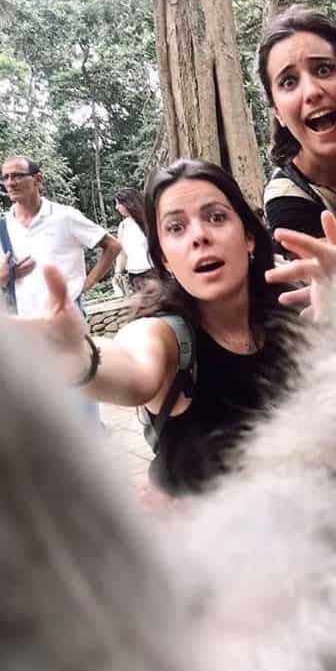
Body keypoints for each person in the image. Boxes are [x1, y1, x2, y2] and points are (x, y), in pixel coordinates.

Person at [12, 159, 292, 497]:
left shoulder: (294, 314)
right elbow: (134, 369)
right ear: (163, 260)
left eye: (216, 217)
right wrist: (79, 358)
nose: (199, 236)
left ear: (248, 236)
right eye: (176, 228)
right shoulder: (166, 335)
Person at [257, 5, 336, 250]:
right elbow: (330, 277)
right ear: (278, 112)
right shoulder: (287, 197)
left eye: (323, 69)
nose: (312, 92)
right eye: (289, 82)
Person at [0, 155, 120, 315]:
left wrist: (87, 284)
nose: (10, 183)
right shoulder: (3, 227)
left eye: (17, 176)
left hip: (67, 320)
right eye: (5, 177)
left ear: (38, 179)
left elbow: (113, 246)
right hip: (24, 326)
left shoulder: (64, 216)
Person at [114, 187, 156, 292]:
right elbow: (122, 253)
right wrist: (118, 272)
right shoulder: (123, 226)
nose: (117, 207)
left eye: (119, 203)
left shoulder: (150, 221)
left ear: (128, 203)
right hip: (135, 277)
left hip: (153, 273)